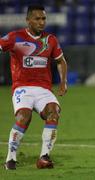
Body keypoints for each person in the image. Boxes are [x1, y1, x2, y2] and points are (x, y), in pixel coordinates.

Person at [0, 5, 68, 170]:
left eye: (43, 18)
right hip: (22, 88)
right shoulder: (15, 37)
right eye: (37, 18)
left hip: (43, 89)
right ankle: (10, 159)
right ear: (28, 20)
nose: (41, 22)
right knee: (24, 116)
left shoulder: (50, 40)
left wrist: (63, 81)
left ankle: (44, 157)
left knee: (54, 111)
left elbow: (60, 60)